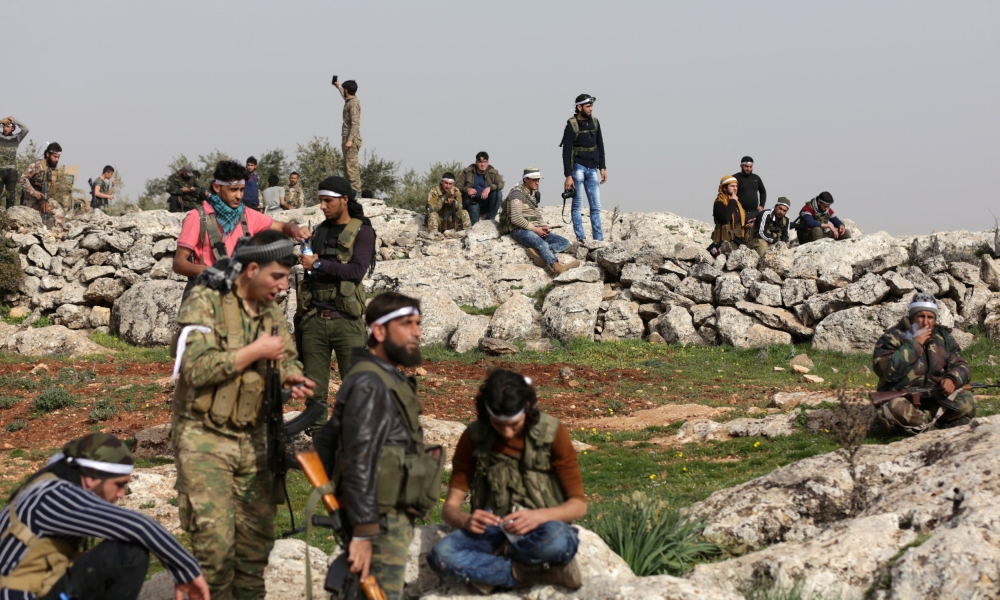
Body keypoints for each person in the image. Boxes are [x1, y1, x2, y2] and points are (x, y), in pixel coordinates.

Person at [172, 230, 316, 599]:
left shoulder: (268, 308)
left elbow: (284, 354)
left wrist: (293, 376)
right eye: (277, 277)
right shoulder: (205, 302)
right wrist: (255, 351)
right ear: (252, 269)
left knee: (254, 553)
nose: (282, 287)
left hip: (255, 440)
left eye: (287, 278)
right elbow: (194, 369)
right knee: (214, 553)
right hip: (205, 439)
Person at [313, 292, 446, 600]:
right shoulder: (370, 384)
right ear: (379, 331)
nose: (417, 332)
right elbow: (358, 460)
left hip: (384, 516)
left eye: (418, 323)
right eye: (407, 324)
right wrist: (363, 531)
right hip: (378, 521)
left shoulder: (384, 377)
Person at [427, 369, 586, 592]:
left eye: (514, 424)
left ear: (527, 409)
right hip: (492, 530)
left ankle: (490, 571)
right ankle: (526, 572)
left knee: (558, 540)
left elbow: (578, 505)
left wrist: (538, 516)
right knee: (442, 555)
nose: (508, 433)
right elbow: (450, 508)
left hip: (541, 528)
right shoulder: (474, 437)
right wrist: (464, 521)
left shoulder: (553, 433)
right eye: (499, 424)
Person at [0, 433, 209, 600]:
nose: (121, 494)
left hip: (41, 587)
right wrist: (187, 569)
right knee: (129, 552)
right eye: (119, 484)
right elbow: (137, 525)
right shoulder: (52, 495)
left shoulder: (56, 483)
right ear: (91, 478)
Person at [297, 176, 376, 434]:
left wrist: (318, 263)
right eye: (320, 200)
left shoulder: (363, 231)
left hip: (346, 321)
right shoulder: (318, 231)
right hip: (314, 320)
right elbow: (311, 274)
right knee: (314, 389)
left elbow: (356, 271)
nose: (322, 206)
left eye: (328, 201)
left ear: (345, 200)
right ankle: (319, 439)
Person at [172, 160, 310, 291]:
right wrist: (208, 271)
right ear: (216, 187)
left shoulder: (247, 215)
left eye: (242, 189)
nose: (239, 196)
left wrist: (296, 230)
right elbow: (179, 263)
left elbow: (282, 227)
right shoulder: (197, 218)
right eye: (233, 189)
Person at [872, 292, 976, 435]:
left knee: (967, 401)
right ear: (912, 317)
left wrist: (952, 379)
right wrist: (915, 345)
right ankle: (938, 424)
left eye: (930, 317)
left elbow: (961, 364)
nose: (926, 322)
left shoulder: (944, 337)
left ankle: (922, 424)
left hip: (936, 397)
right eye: (921, 316)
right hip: (903, 398)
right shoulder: (892, 337)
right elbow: (886, 371)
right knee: (894, 408)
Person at [499, 168, 580, 275]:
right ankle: (557, 267)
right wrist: (535, 229)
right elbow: (515, 218)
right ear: (526, 179)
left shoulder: (532, 193)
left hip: (534, 228)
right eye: (534, 180)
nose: (537, 182)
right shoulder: (517, 193)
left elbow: (537, 213)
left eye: (538, 179)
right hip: (519, 229)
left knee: (564, 243)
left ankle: (540, 254)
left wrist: (543, 226)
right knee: (542, 244)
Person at [561, 94, 606, 243]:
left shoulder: (595, 122)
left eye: (591, 106)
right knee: (577, 206)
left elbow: (600, 145)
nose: (591, 109)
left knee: (596, 207)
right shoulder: (571, 125)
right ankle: (581, 239)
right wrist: (568, 175)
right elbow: (566, 152)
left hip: (593, 169)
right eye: (588, 106)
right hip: (578, 169)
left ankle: (598, 240)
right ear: (579, 107)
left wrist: (603, 167)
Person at [19, 143, 65, 226]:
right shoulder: (37, 165)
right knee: (27, 223)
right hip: (31, 200)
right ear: (47, 154)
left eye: (58, 157)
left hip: (45, 199)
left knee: (59, 211)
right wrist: (34, 192)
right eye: (55, 157)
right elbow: (23, 179)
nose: (57, 159)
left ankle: (56, 234)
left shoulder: (53, 168)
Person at [456, 152, 505, 224]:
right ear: (476, 162)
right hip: (471, 201)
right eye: (480, 162)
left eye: (485, 162)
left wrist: (489, 188)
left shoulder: (493, 173)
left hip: (486, 202)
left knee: (498, 194)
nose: (482, 164)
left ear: (488, 162)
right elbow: (457, 186)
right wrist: (467, 189)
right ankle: (475, 226)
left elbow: (501, 184)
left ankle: (490, 219)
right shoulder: (467, 172)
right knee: (474, 206)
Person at [333, 79, 363, 192]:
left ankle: (357, 191)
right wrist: (338, 86)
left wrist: (350, 140)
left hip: (351, 139)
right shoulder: (349, 100)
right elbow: (345, 97)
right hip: (346, 137)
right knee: (346, 167)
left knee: (352, 167)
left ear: (347, 90)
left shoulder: (354, 104)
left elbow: (356, 124)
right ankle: (350, 190)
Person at [710, 175, 746, 255]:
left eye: (736, 186)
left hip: (738, 239)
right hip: (725, 242)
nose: (735, 188)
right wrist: (732, 201)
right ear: (724, 188)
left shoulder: (737, 203)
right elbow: (725, 217)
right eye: (732, 186)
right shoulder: (719, 203)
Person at [0, 116, 29, 209]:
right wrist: (1, 121)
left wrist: (14, 120)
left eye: (8, 126)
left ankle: (9, 217)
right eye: (4, 126)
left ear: (13, 128)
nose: (5, 128)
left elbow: (26, 129)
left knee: (10, 196)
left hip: (11, 171)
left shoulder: (17, 138)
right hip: (0, 169)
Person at [733, 156, 766, 223]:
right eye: (746, 166)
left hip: (755, 212)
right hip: (740, 211)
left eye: (750, 167)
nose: (748, 169)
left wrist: (762, 205)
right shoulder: (735, 178)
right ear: (741, 166)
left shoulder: (756, 178)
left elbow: (763, 192)